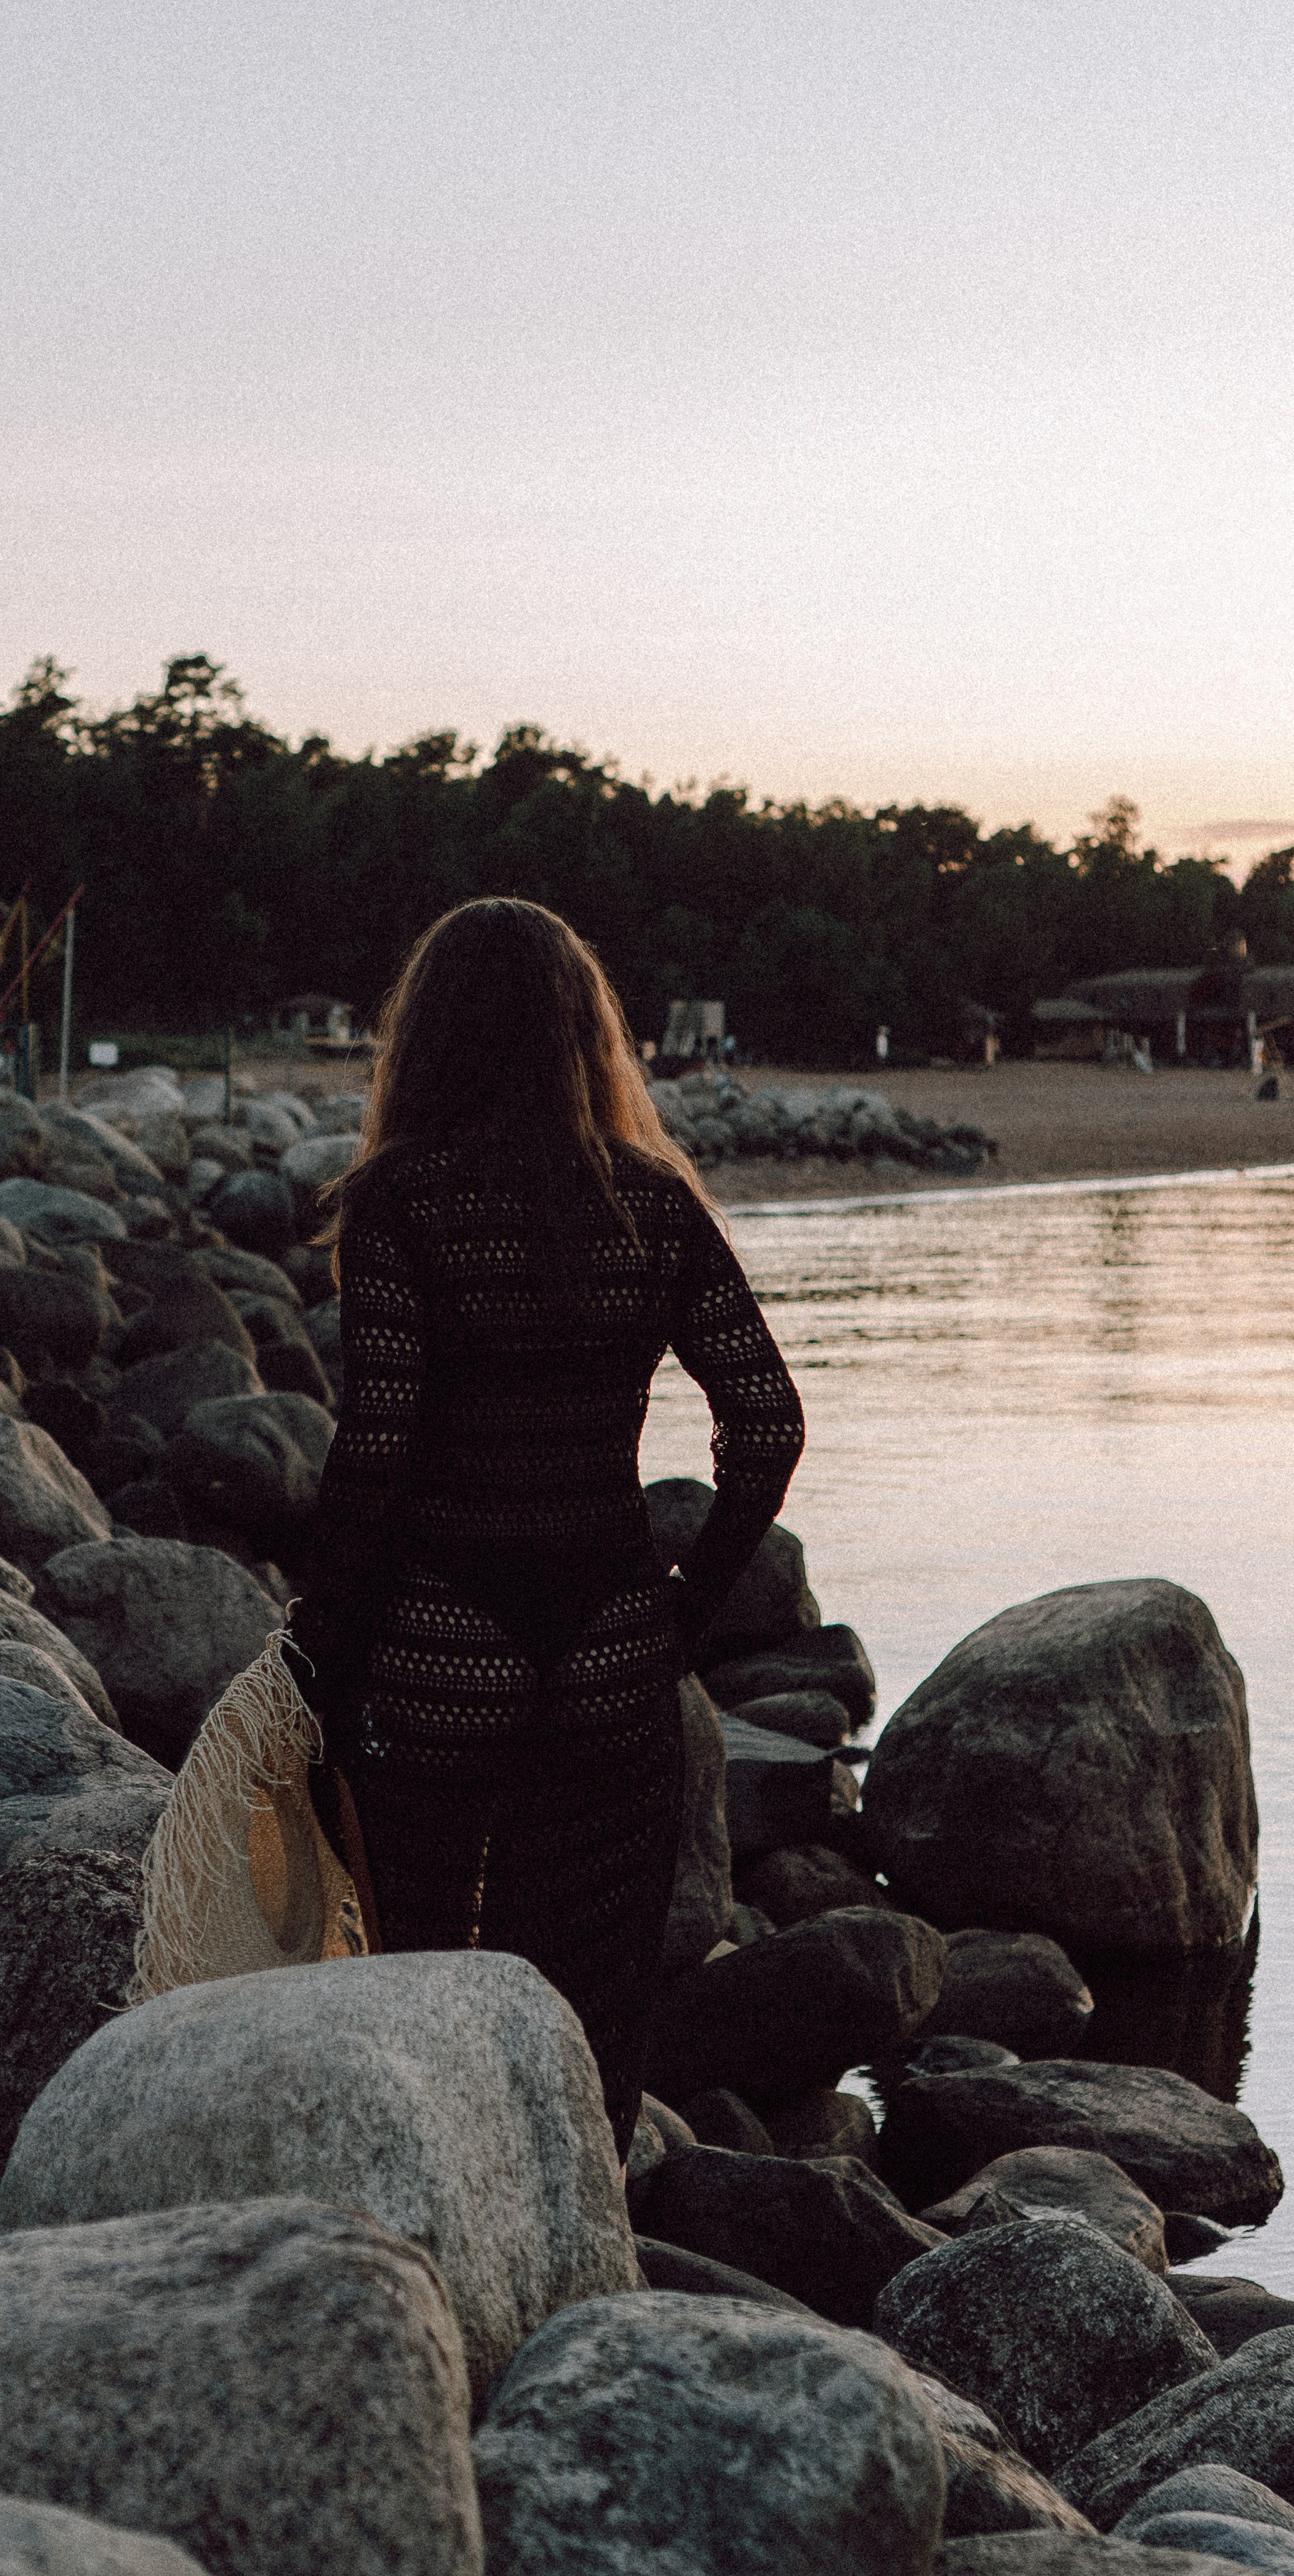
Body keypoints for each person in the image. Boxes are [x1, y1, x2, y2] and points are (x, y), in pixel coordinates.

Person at [289, 898, 804, 2156]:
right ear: (588, 1035)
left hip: (438, 1648)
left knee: (413, 1984)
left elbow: (379, 1453)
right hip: (609, 1650)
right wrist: (686, 1611)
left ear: (430, 1037)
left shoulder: (400, 1201)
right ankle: (575, 2236)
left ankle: (430, 2232)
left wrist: (319, 1654)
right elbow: (768, 1424)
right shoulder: (655, 1208)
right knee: (585, 2002)